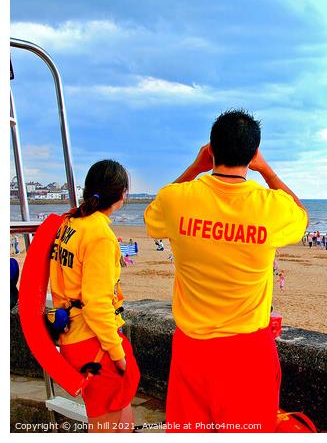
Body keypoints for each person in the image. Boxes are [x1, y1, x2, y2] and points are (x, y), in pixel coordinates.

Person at [143, 109, 307, 433]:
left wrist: (194, 168)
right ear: (252, 154)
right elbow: (301, 213)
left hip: (192, 349)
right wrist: (266, 170)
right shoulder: (270, 206)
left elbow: (153, 213)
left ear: (211, 151)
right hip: (248, 351)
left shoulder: (178, 199)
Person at [49, 160, 140, 432]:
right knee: (103, 428)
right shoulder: (100, 234)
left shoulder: (69, 223)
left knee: (120, 413)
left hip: (70, 333)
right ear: (123, 194)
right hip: (93, 341)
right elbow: (97, 304)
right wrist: (117, 352)